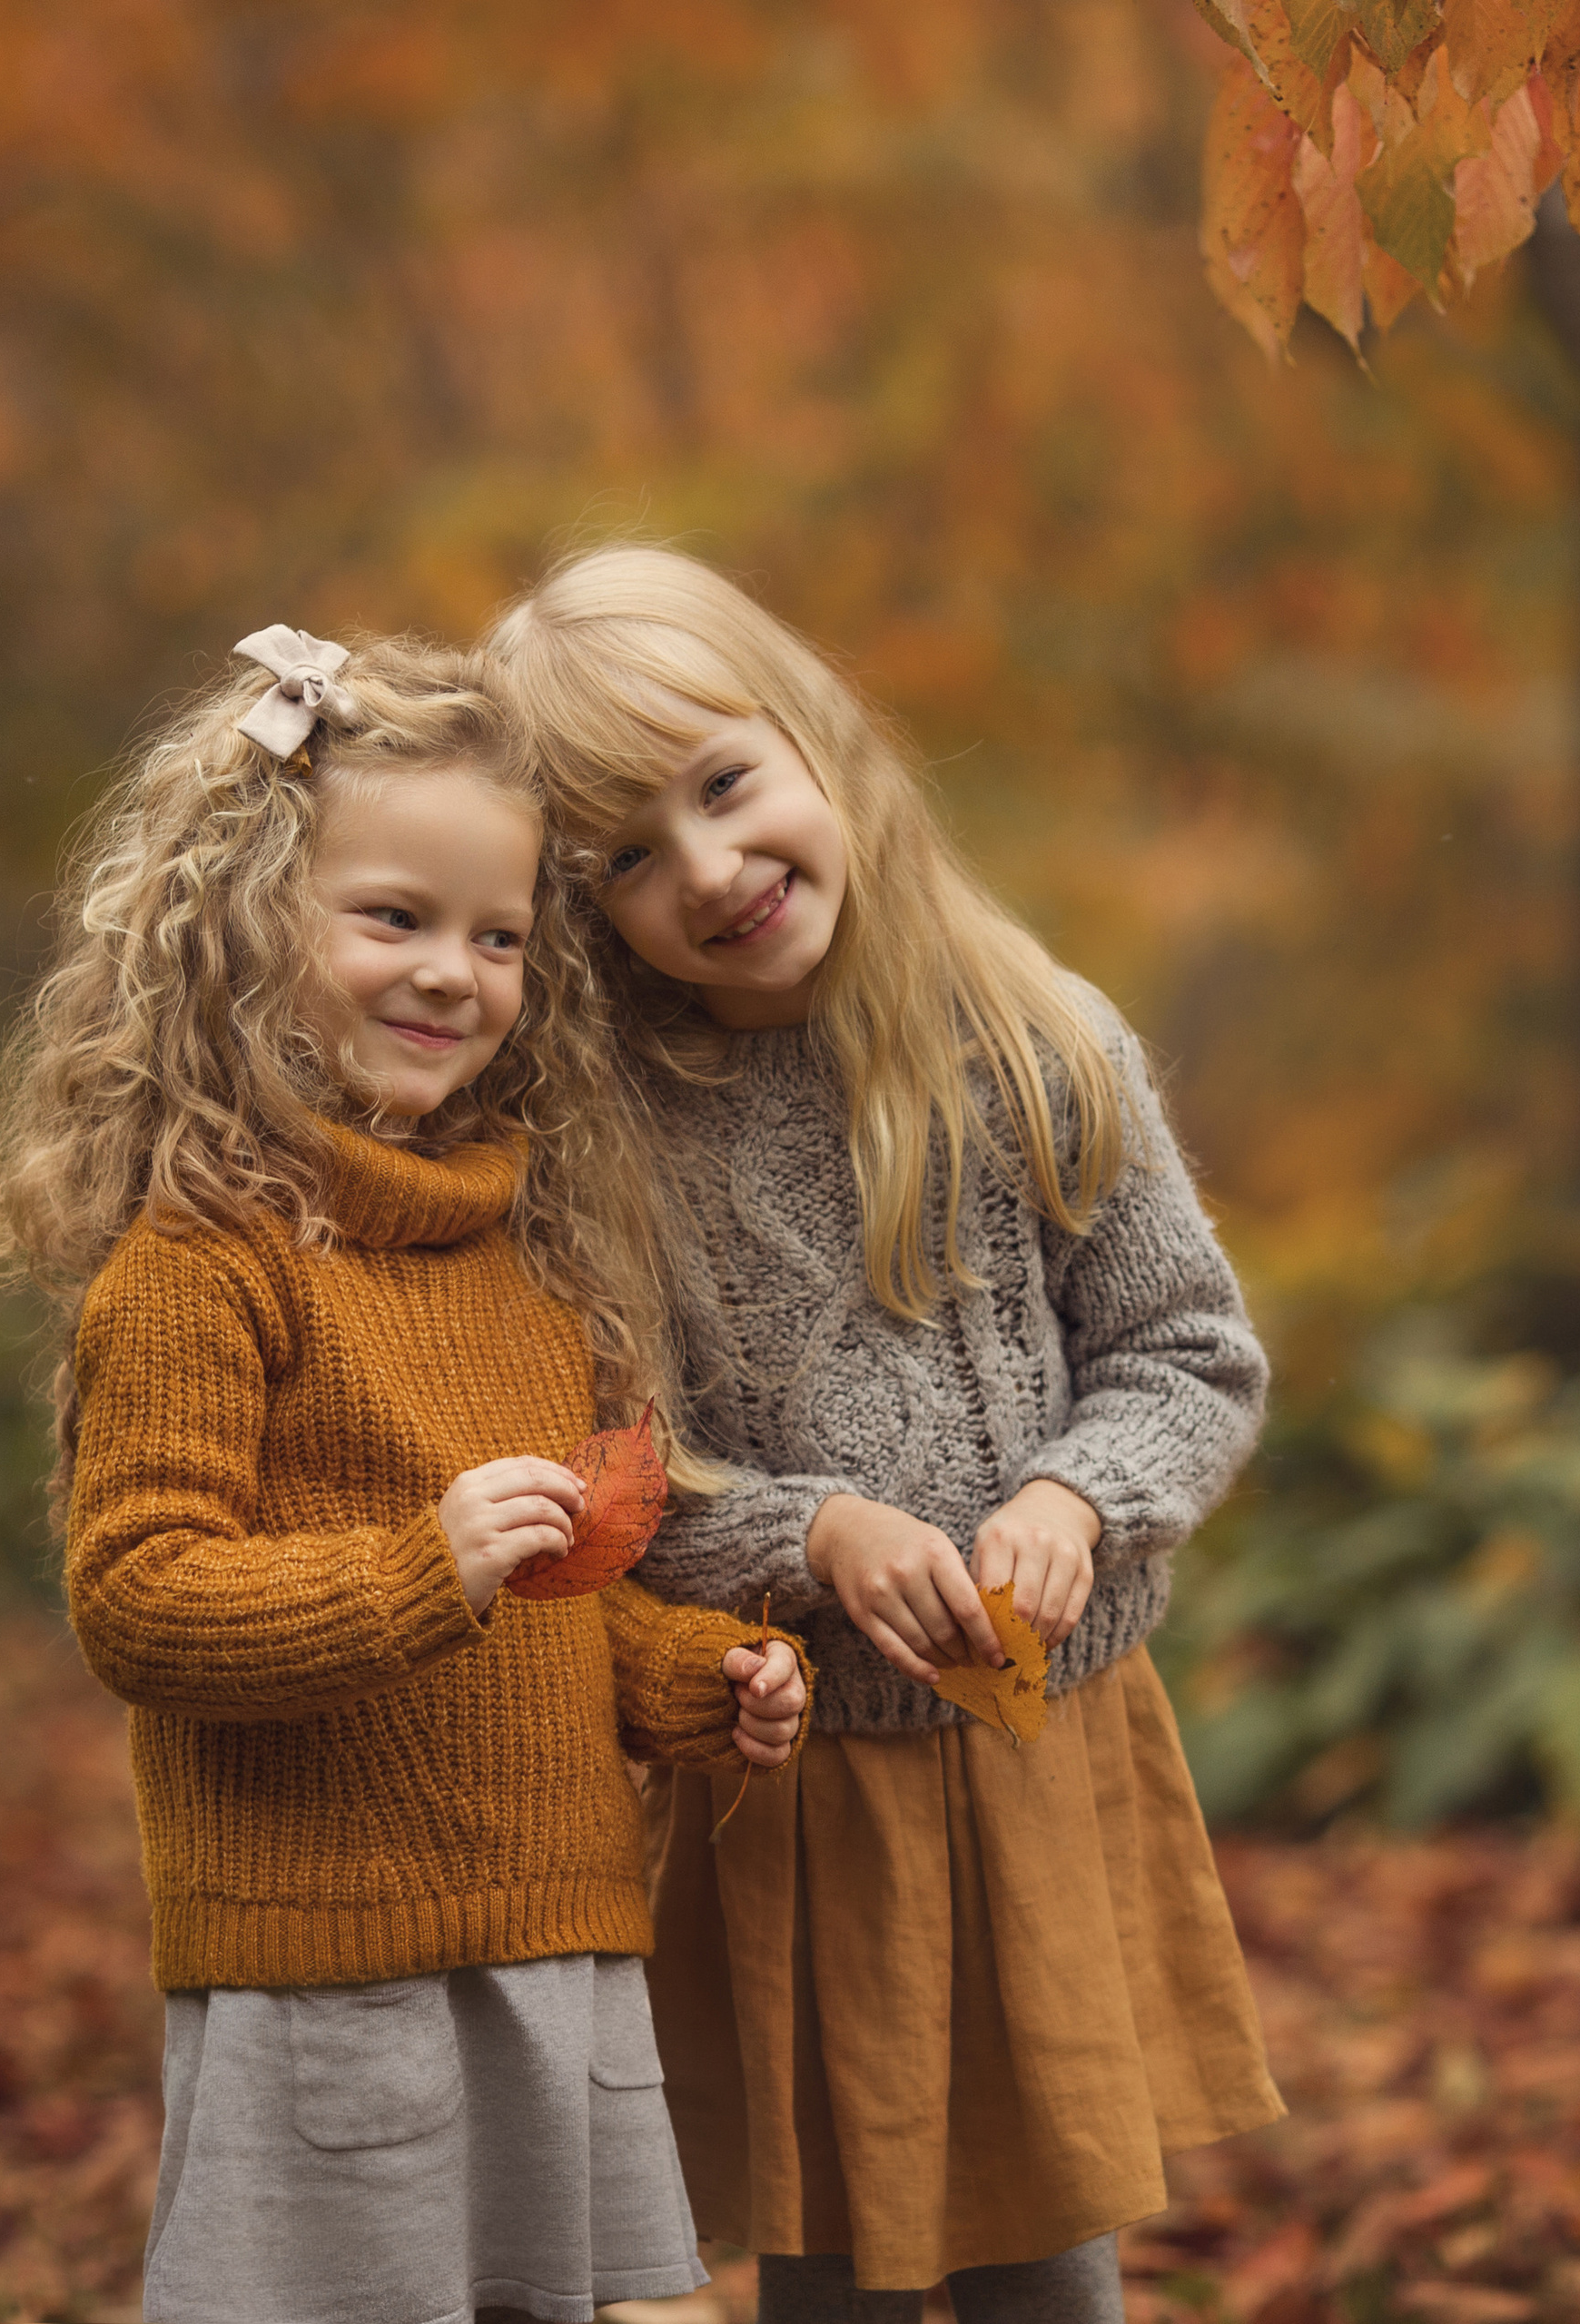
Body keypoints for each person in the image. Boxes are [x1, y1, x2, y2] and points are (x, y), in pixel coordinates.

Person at [0, 623, 809, 2324]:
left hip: (563, 1944)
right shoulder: (203, 1266)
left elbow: (559, 1602)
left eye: (499, 937)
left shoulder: (530, 1256)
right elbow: (140, 1605)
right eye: (394, 918)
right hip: (328, 1962)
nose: (453, 973)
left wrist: (700, 1680)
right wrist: (419, 1568)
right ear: (243, 924)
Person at [488, 548, 1284, 2322]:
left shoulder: (1033, 1041)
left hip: (1028, 1750)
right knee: (823, 2250)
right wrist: (809, 1531)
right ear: (573, 910)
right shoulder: (598, 1137)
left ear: (814, 735)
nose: (707, 868)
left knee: (1037, 2239)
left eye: (721, 783)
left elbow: (1186, 1351)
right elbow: (617, 1476)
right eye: (621, 854)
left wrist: (1083, 1493)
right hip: (778, 1781)